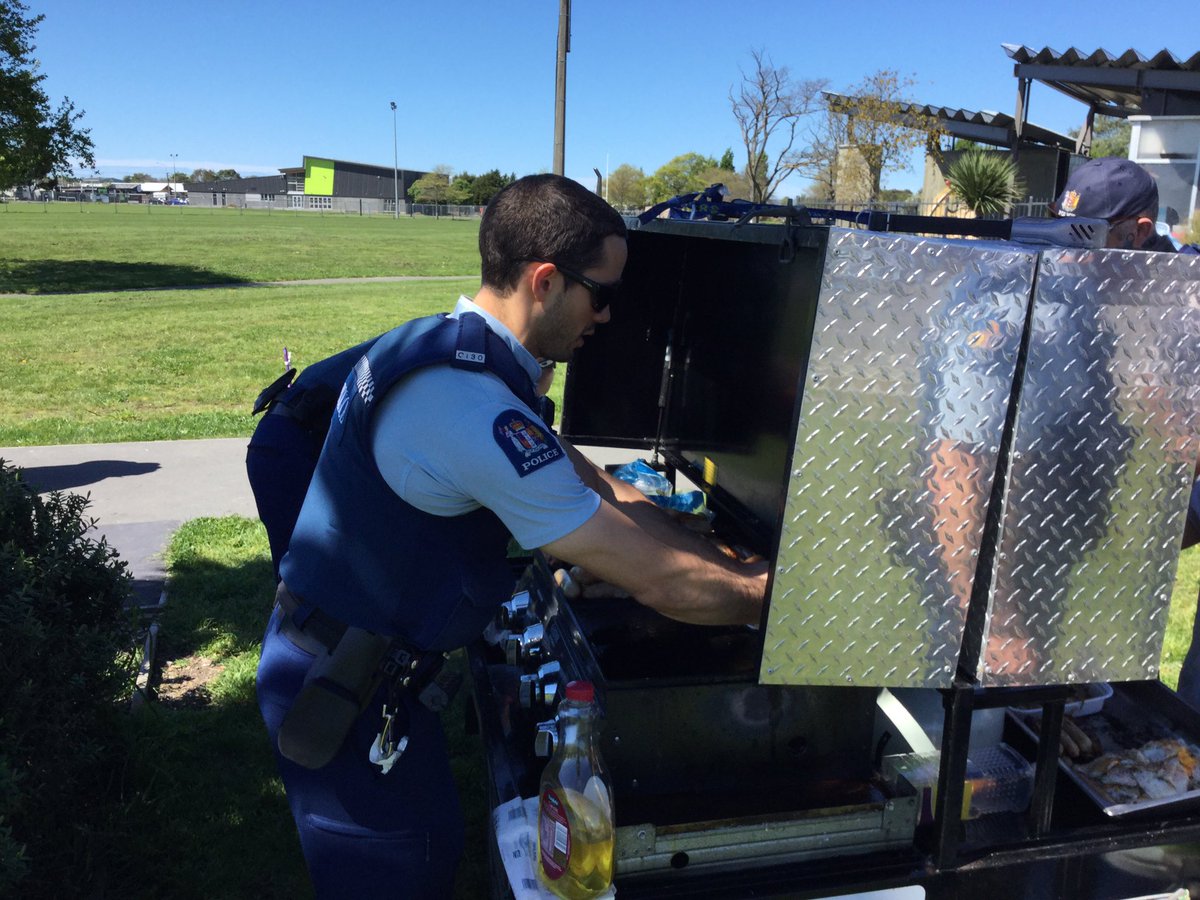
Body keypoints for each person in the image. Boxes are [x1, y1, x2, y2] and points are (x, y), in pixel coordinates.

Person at [255, 173, 767, 898]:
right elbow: (658, 582)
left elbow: (595, 487)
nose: (610, 316)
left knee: (427, 846)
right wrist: (781, 601)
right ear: (547, 281)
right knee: (406, 863)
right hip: (342, 691)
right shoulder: (470, 409)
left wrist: (703, 542)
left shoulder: (447, 347)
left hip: (350, 661)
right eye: (604, 293)